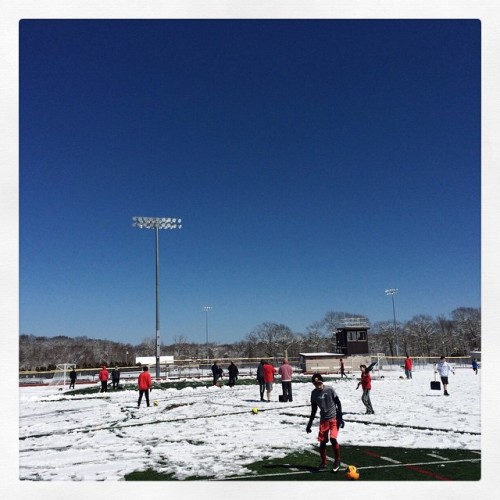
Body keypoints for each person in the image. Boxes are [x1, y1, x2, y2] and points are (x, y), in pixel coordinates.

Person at [306, 373, 344, 472]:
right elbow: (314, 409)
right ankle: (324, 462)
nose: (317, 385)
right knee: (322, 442)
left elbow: (338, 402)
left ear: (322, 382)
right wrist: (310, 423)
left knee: (333, 439)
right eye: (315, 384)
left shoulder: (329, 389)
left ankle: (337, 460)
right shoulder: (314, 394)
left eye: (319, 383)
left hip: (333, 419)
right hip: (324, 420)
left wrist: (340, 417)